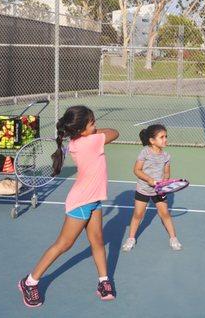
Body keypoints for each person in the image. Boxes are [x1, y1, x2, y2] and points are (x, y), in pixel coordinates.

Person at [18, 106, 119, 307]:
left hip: (94, 199)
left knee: (97, 241)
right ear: (81, 130)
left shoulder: (79, 141)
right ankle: (30, 282)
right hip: (82, 202)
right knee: (64, 244)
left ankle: (103, 281)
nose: (96, 125)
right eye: (92, 123)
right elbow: (115, 133)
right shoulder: (90, 142)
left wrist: (89, 129)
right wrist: (94, 132)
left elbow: (101, 133)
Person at [121, 124, 182, 252]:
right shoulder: (145, 152)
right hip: (143, 189)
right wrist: (149, 180)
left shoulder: (166, 156)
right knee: (138, 215)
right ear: (152, 141)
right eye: (162, 137)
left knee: (165, 214)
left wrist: (164, 184)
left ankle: (173, 238)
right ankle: (131, 238)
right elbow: (136, 170)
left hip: (159, 191)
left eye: (166, 136)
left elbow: (166, 173)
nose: (165, 139)